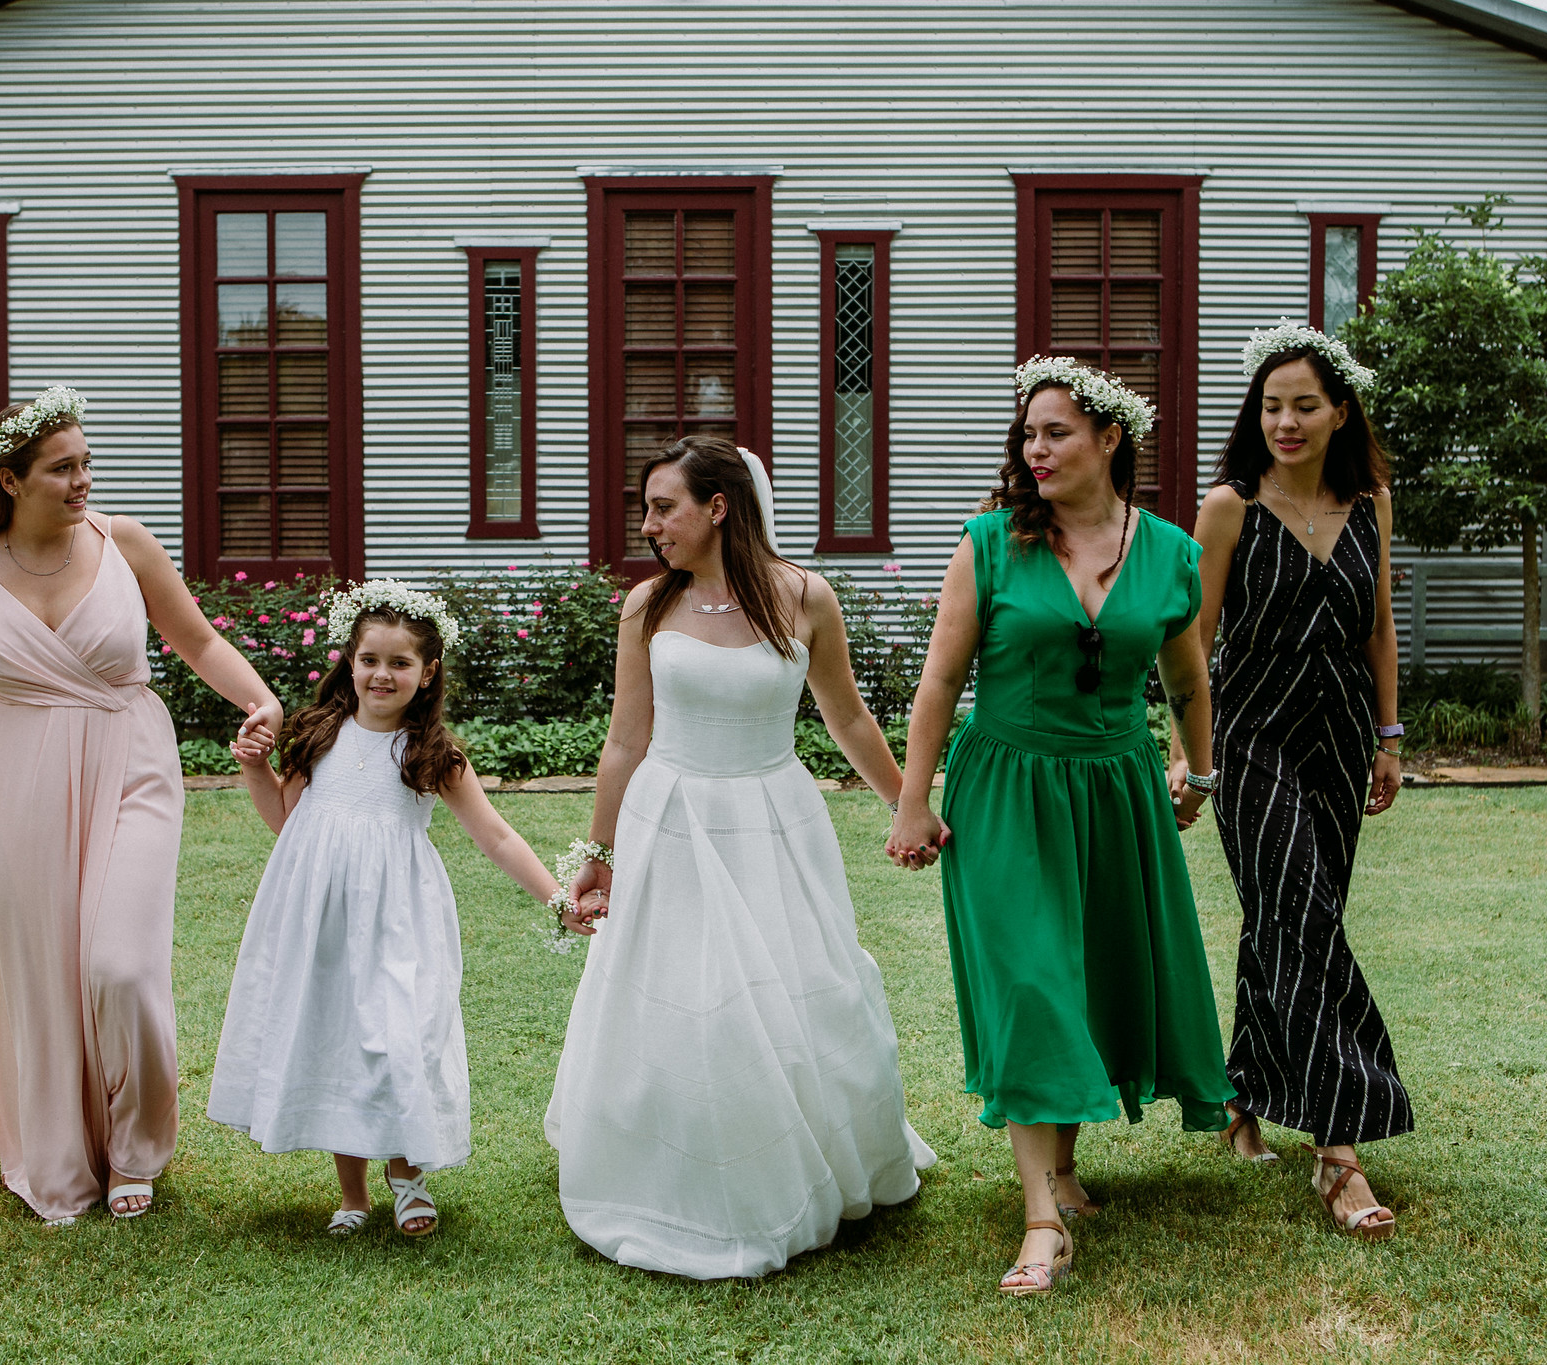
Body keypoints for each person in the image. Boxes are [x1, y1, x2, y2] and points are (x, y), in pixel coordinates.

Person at [0, 387, 279, 1225]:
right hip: (15, 783)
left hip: (130, 757)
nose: (82, 480)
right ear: (12, 480)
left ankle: (137, 1145)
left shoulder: (125, 543)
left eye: (86, 462)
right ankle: (63, 1149)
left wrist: (261, 700)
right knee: (45, 974)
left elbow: (197, 637)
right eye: (64, 468)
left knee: (119, 965)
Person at [546, 434, 935, 1281]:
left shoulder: (806, 597)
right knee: (688, 996)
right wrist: (598, 853)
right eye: (647, 508)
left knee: (790, 988)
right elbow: (623, 740)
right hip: (672, 816)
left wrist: (910, 805)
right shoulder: (646, 607)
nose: (649, 525)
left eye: (664, 507)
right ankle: (673, 1166)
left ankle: (801, 1151)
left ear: (718, 507)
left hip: (774, 819)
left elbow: (850, 720)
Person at [890, 357, 1231, 1296]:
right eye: (1028, 435)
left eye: (1057, 432)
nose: (1035, 449)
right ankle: (1043, 1219)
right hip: (1005, 788)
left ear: (1111, 439)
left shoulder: (1168, 551)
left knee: (1086, 977)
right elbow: (939, 683)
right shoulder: (991, 543)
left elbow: (1189, 679)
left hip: (1117, 788)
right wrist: (914, 798)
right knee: (1032, 981)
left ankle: (1065, 1170)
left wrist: (1196, 772)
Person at [208, 581, 570, 1238]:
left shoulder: (432, 753)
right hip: (322, 920)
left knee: (394, 1037)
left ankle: (406, 1173)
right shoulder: (318, 734)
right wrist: (256, 769)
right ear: (349, 660)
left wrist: (555, 895)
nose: (382, 673)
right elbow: (285, 822)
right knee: (337, 1035)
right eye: (370, 658)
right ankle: (351, 1192)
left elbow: (496, 834)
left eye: (400, 663)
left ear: (427, 672)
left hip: (398, 919)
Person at [1173, 322, 1406, 1240]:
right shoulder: (1229, 506)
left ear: (1340, 410)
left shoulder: (1373, 501)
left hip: (1342, 734)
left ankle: (1242, 1092)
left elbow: (1379, 627)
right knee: (1299, 911)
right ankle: (1339, 1147)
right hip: (1253, 732)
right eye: (1272, 406)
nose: (1286, 421)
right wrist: (1197, 751)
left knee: (1291, 916)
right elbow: (1192, 638)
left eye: (1304, 404)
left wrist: (1389, 737)